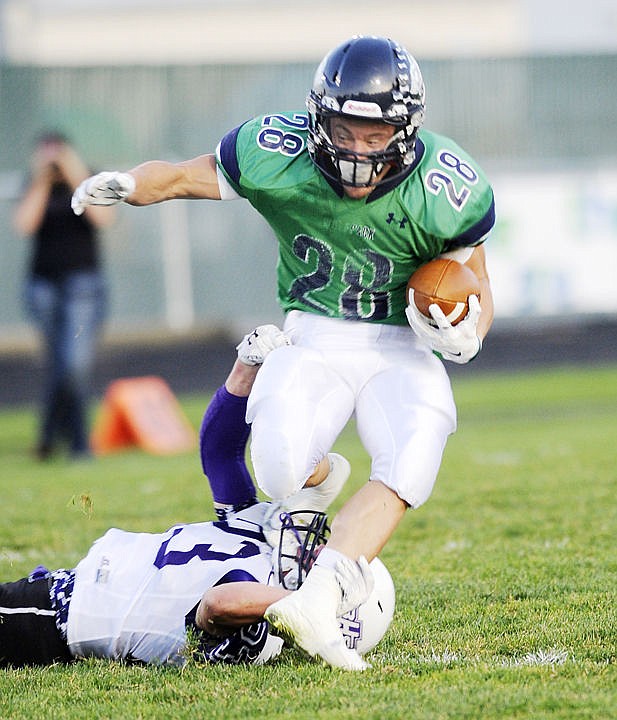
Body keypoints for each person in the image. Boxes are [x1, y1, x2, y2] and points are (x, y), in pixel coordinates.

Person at [71, 35, 495, 670]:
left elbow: (479, 286)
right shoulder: (279, 152)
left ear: (406, 130)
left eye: (374, 134)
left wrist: (468, 328)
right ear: (318, 117)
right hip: (316, 333)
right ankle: (323, 482)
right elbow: (187, 175)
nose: (356, 148)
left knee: (414, 450)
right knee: (275, 467)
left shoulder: (443, 184)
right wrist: (132, 183)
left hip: (401, 345)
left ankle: (320, 598)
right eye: (345, 127)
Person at [0, 330, 394, 668]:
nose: (320, 551)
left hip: (61, 618)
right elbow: (220, 454)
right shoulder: (263, 533)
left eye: (328, 565)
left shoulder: (265, 632)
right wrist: (245, 370)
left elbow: (216, 605)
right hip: (64, 587)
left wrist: (303, 600)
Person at [13, 131, 114, 460]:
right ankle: (61, 440)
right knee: (59, 363)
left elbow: (103, 219)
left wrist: (75, 174)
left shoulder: (89, 177)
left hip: (83, 284)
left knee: (73, 363)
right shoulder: (34, 182)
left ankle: (71, 441)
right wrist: (42, 180)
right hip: (43, 285)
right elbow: (24, 225)